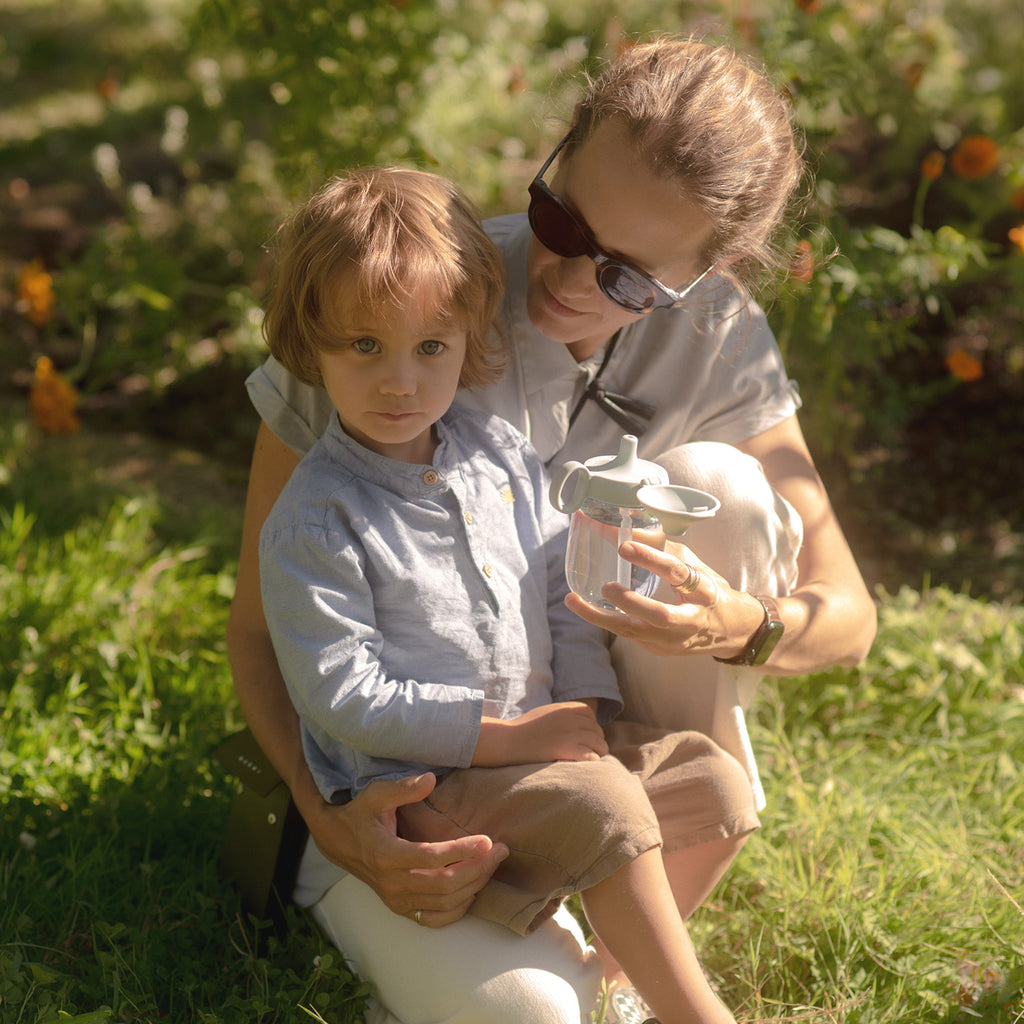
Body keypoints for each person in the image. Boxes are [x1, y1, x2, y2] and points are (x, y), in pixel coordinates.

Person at [228, 35, 878, 1024]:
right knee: (530, 1012)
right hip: (404, 777)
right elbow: (261, 629)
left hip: (569, 738)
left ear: (707, 274)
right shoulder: (399, 298)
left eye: (629, 278)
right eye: (560, 220)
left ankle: (618, 931)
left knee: (719, 489)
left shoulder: (714, 334)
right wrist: (334, 823)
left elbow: (851, 616)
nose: (571, 280)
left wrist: (741, 626)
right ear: (556, 155)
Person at [257, 166, 738, 1024]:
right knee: (604, 806)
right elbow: (342, 693)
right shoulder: (318, 516)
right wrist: (508, 737)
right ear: (310, 342)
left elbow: (556, 581)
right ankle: (698, 1015)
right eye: (364, 346)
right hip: (421, 787)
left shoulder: (498, 454)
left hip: (536, 750)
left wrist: (583, 702)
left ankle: (618, 984)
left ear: (468, 339)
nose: (400, 382)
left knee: (716, 789)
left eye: (429, 348)